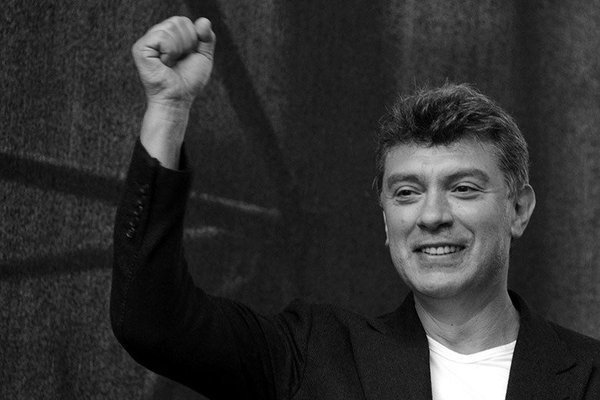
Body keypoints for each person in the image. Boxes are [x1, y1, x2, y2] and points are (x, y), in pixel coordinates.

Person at [110, 16, 600, 400]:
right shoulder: (315, 356)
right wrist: (168, 110)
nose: (432, 216)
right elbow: (152, 322)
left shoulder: (589, 374)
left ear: (519, 209)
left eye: (464, 188)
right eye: (406, 193)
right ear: (386, 220)